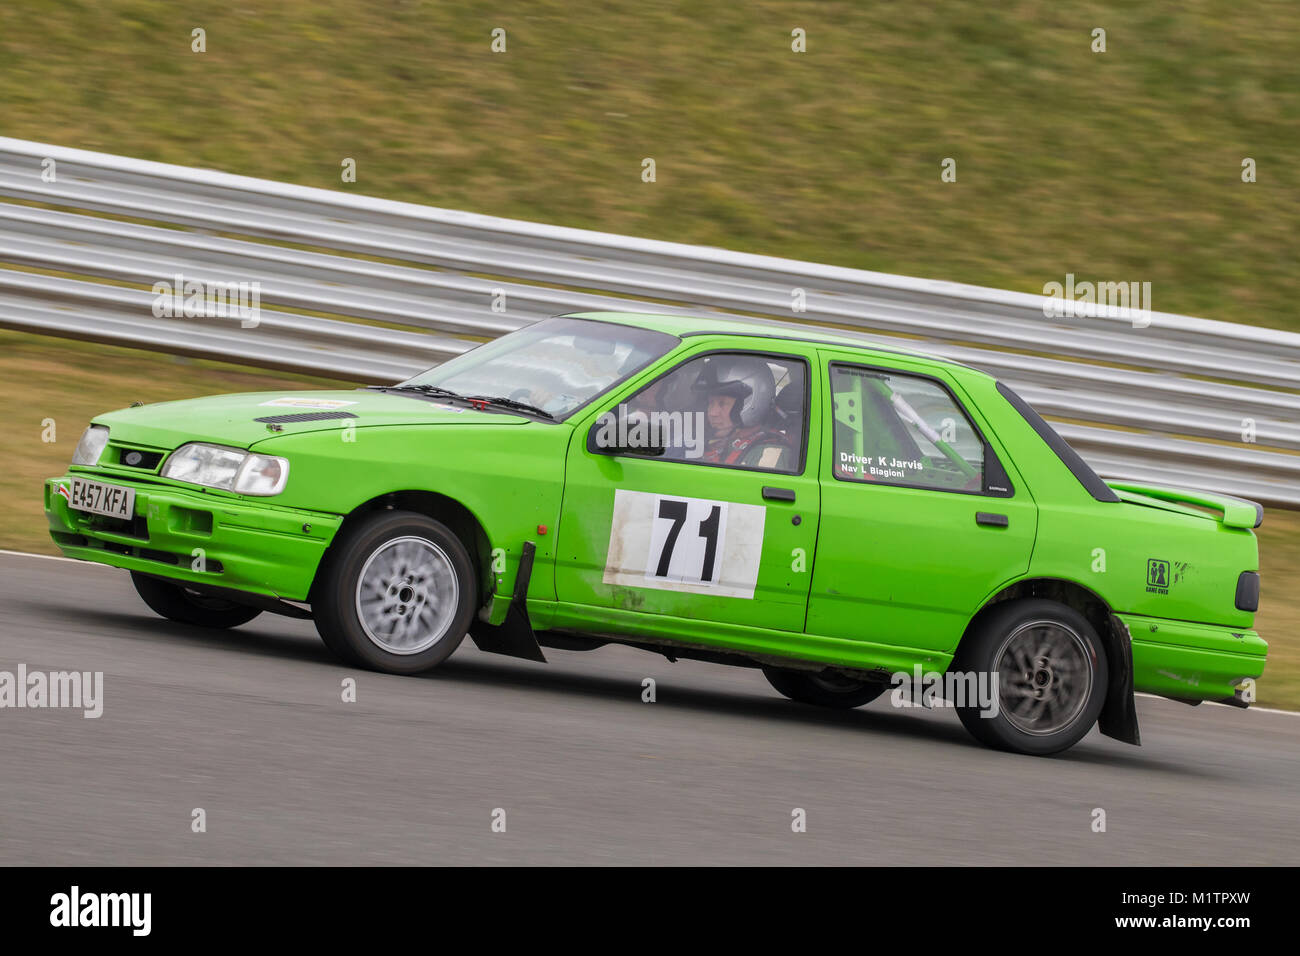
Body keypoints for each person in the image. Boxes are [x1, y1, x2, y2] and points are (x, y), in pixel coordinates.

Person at [693, 357, 791, 470]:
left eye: (722, 404)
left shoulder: (767, 453)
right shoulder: (711, 441)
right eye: (710, 402)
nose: (712, 413)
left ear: (754, 402)